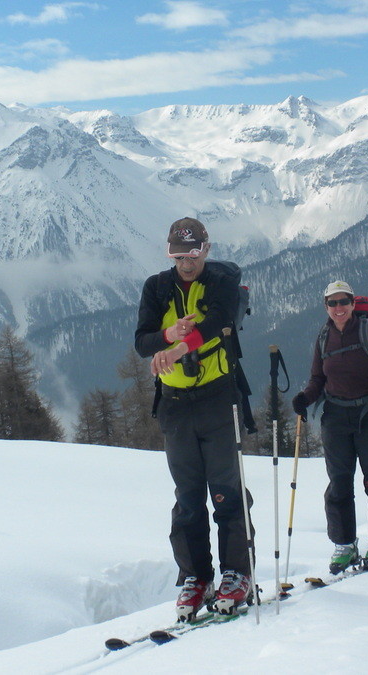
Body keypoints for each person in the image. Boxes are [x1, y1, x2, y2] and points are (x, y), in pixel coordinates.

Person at [134, 217, 255, 621]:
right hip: (174, 402)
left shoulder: (222, 280)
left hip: (218, 398)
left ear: (206, 249)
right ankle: (196, 577)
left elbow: (219, 324)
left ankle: (237, 572)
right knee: (188, 497)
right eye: (178, 255)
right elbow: (142, 341)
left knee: (225, 491)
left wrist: (178, 345)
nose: (187, 263)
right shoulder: (156, 287)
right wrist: (168, 338)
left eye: (194, 254)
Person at [291, 281, 368, 574]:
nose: (338, 308)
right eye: (332, 303)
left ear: (352, 304)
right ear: (326, 307)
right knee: (339, 483)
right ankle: (345, 544)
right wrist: (305, 398)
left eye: (343, 302)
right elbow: (318, 379)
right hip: (335, 416)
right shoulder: (324, 337)